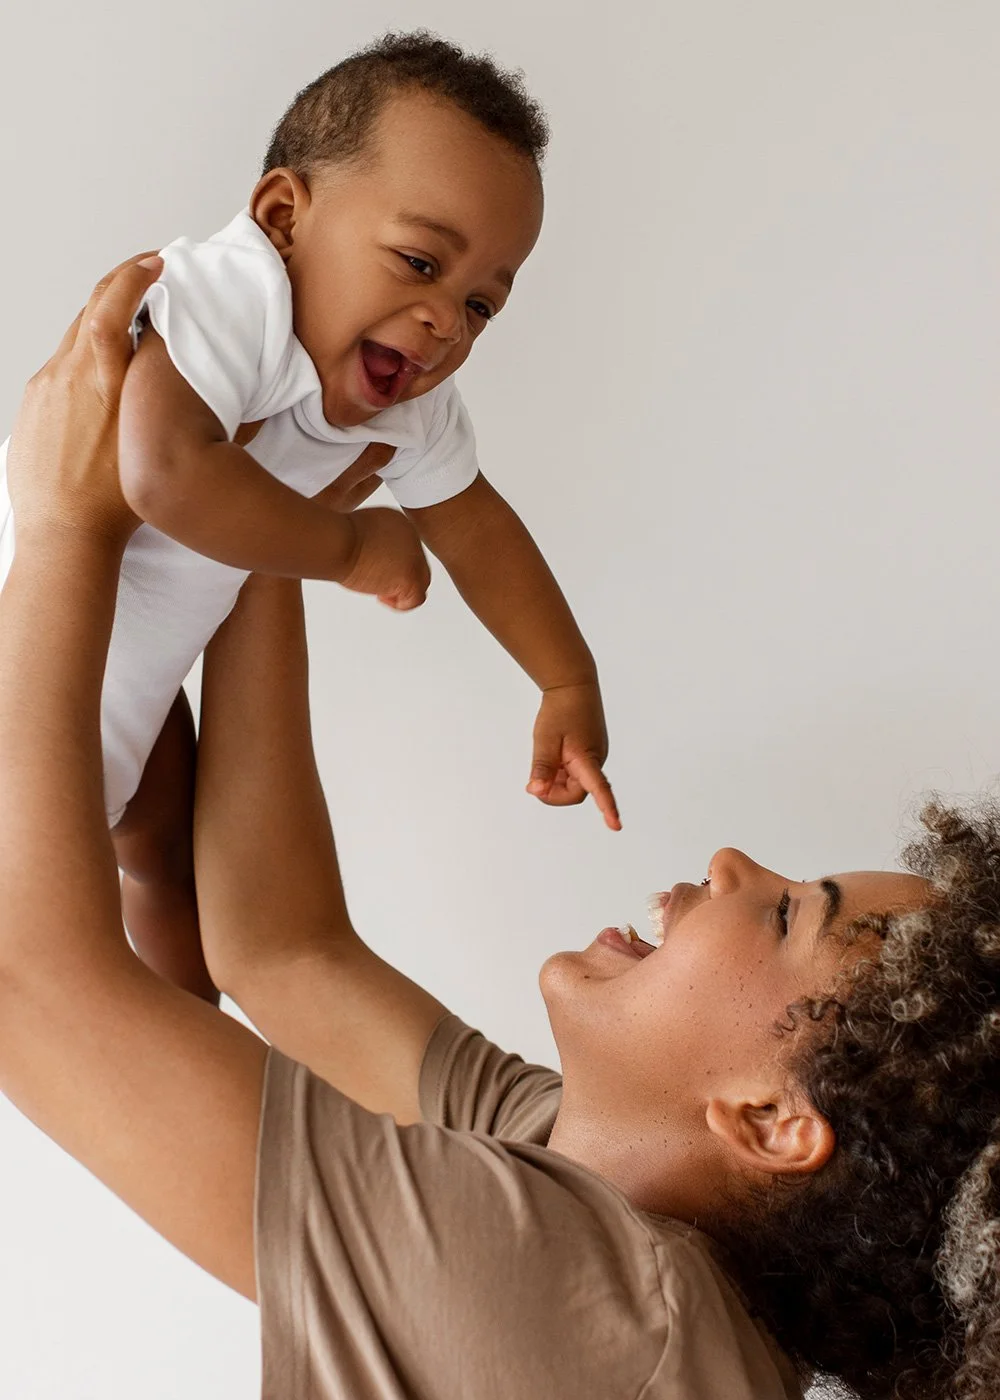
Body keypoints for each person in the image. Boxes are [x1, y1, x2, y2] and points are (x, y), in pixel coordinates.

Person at [2, 262, 999, 1400]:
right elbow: (285, 949)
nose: (731, 860)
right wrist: (260, 513)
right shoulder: (616, 1186)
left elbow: (29, 981)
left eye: (784, 910)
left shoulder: (595, 1302)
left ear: (769, 1120)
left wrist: (67, 526)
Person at [0, 31, 619, 1006]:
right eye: (419, 261)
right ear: (284, 215)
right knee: (61, 951)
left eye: (481, 304)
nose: (445, 320)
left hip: (137, 693)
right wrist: (349, 545)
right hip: (24, 677)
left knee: (167, 861)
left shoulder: (405, 403)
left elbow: (478, 526)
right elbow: (161, 471)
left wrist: (563, 676)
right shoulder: (228, 293)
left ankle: (192, 1032)